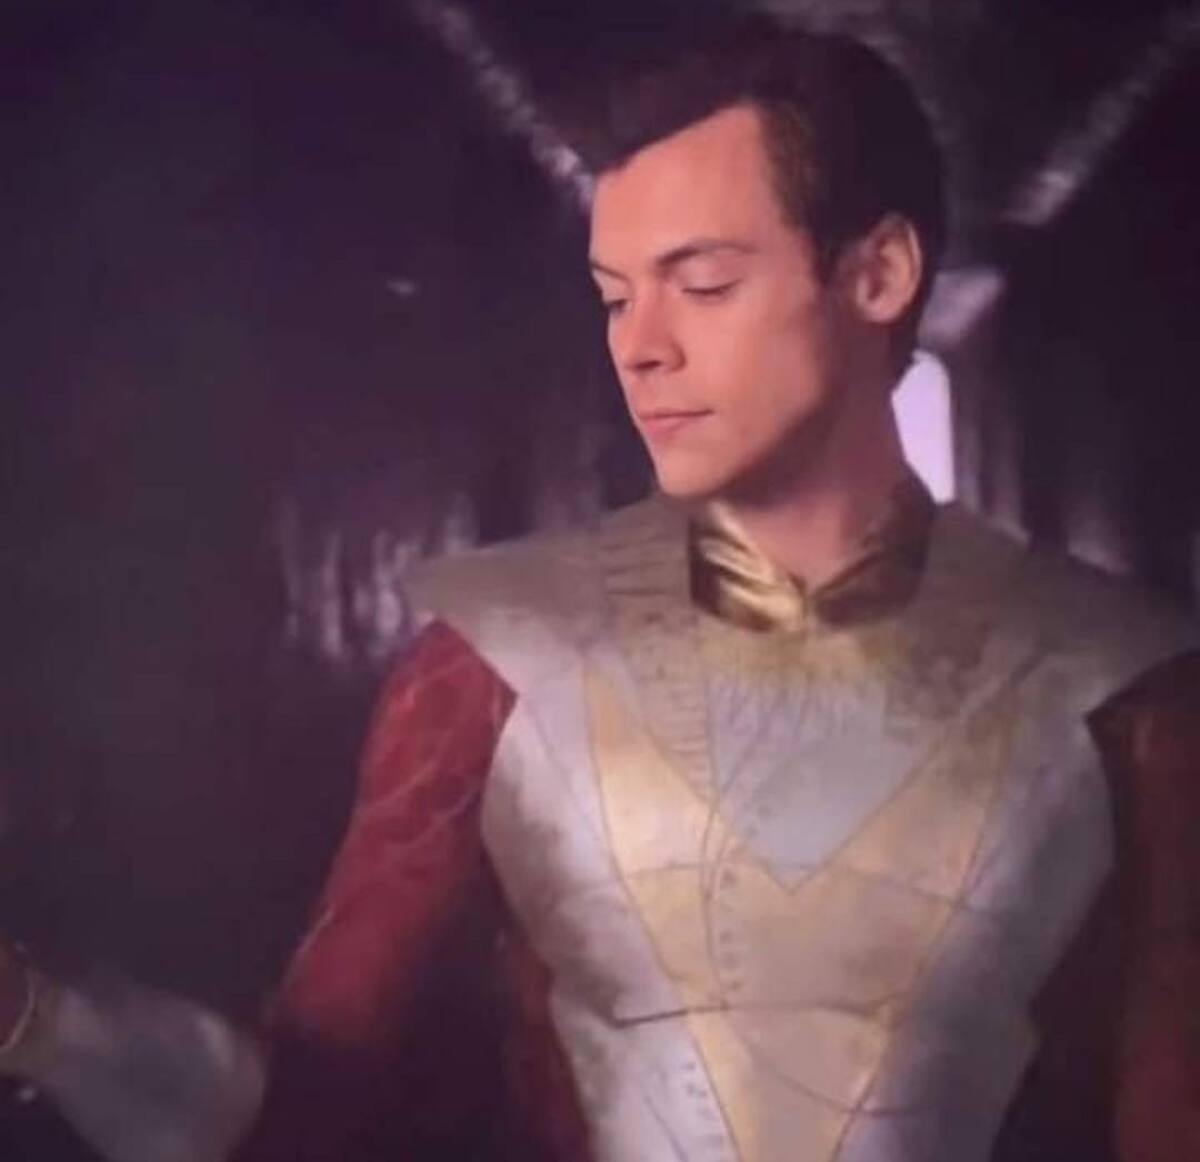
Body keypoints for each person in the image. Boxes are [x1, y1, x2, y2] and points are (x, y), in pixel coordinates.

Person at [2, 13, 1197, 1162]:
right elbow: (311, 1111)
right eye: (618, 294)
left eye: (703, 283)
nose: (640, 347)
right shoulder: (495, 673)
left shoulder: (1118, 694)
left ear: (878, 274)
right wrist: (54, 1027)